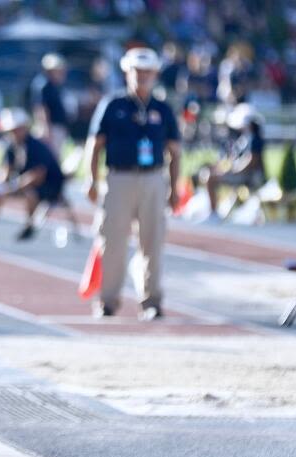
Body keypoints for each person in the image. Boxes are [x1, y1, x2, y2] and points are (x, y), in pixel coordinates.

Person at [85, 47, 181, 321]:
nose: (142, 77)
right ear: (127, 72)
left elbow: (175, 151)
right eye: (137, 71)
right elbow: (95, 144)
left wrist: (174, 187)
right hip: (119, 177)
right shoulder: (113, 105)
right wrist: (92, 179)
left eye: (148, 72)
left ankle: (151, 300)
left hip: (153, 178)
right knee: (112, 241)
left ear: (155, 74)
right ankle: (108, 300)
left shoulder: (162, 109)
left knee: (152, 242)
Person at [0, 108, 66, 241]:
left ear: (24, 128)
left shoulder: (36, 146)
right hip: (23, 184)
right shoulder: (11, 146)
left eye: (16, 129)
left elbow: (37, 175)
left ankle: (29, 226)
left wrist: (13, 188)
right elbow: (6, 169)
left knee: (31, 194)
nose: (13, 133)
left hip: (49, 186)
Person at [200, 103, 266, 220]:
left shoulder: (254, 139)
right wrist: (221, 167)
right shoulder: (244, 138)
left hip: (248, 175)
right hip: (241, 173)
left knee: (211, 178)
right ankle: (214, 210)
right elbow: (232, 157)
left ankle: (214, 213)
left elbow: (252, 161)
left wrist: (234, 170)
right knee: (209, 173)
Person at [30, 53, 69, 157]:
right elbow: (41, 108)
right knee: (51, 157)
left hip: (54, 127)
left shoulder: (51, 85)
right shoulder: (44, 85)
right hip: (51, 128)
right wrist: (46, 128)